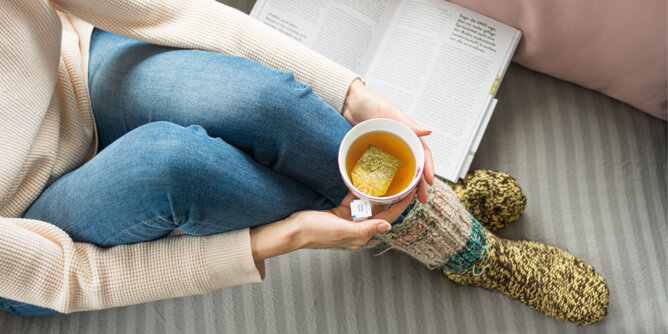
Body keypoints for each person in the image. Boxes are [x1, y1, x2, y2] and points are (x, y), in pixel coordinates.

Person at [0, 0, 608, 325]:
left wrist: (353, 93)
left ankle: (416, 208)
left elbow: (165, 11)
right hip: (31, 230)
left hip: (79, 73)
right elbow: (64, 277)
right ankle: (458, 243)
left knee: (261, 99)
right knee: (173, 164)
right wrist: (279, 238)